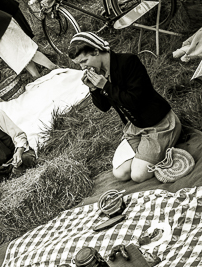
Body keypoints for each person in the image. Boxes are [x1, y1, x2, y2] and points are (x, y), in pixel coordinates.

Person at [68, 32, 181, 183]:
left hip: (157, 122)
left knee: (138, 175)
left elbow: (135, 101)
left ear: (96, 51)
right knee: (120, 173)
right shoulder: (100, 72)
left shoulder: (128, 62)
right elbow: (104, 107)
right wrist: (94, 89)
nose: (83, 67)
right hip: (136, 126)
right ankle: (147, 152)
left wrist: (105, 86)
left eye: (84, 61)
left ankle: (169, 144)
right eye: (79, 64)